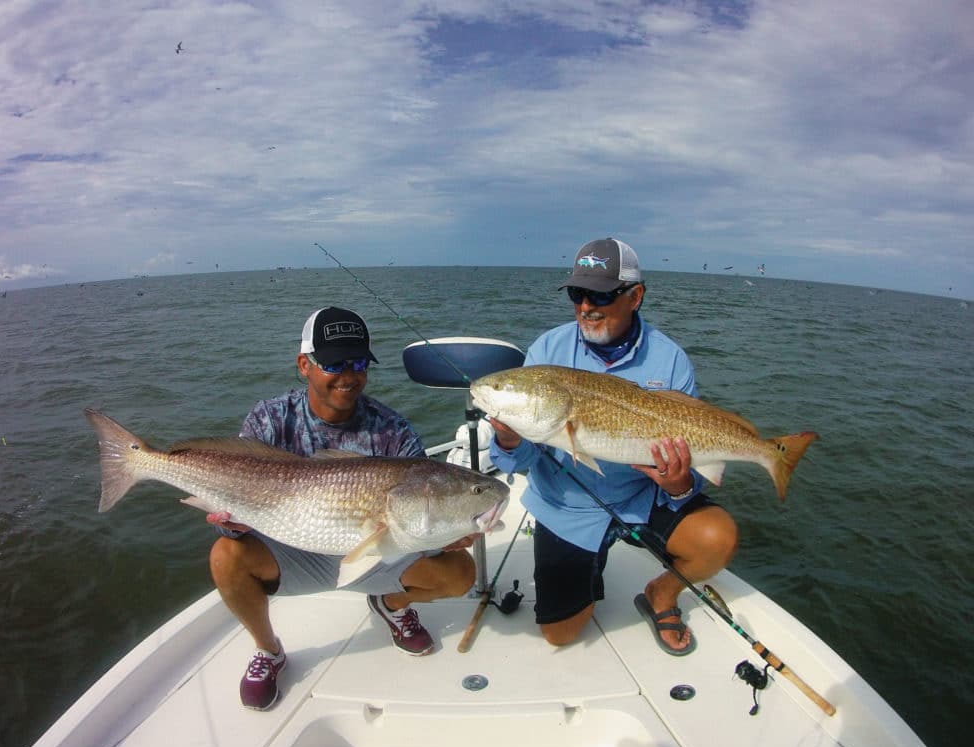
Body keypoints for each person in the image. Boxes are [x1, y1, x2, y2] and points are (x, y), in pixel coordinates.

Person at [209, 306, 477, 710]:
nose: (349, 376)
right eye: (334, 363)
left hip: (374, 554)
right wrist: (231, 524)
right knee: (225, 555)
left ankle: (391, 605)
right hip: (295, 550)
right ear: (305, 364)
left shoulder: (394, 431)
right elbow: (237, 513)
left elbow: (416, 510)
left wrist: (447, 532)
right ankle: (269, 651)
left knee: (461, 573)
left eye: (358, 362)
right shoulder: (270, 420)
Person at [487, 238, 738, 655]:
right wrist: (509, 439)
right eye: (577, 293)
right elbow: (526, 458)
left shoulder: (670, 359)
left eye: (601, 294)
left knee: (718, 538)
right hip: (566, 506)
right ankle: (588, 561)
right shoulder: (548, 351)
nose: (586, 305)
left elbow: (689, 471)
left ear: (635, 296)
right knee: (560, 635)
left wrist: (678, 485)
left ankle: (662, 593)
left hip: (642, 495)